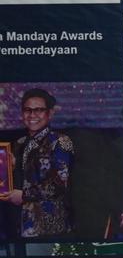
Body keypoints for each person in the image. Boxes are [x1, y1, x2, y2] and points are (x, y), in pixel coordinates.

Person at [3, 89, 73, 237]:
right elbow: (16, 181)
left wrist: (24, 195)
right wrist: (10, 168)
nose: (32, 115)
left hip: (49, 228)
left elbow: (60, 184)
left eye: (39, 110)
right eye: (27, 110)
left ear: (50, 113)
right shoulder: (18, 144)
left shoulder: (60, 141)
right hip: (18, 225)